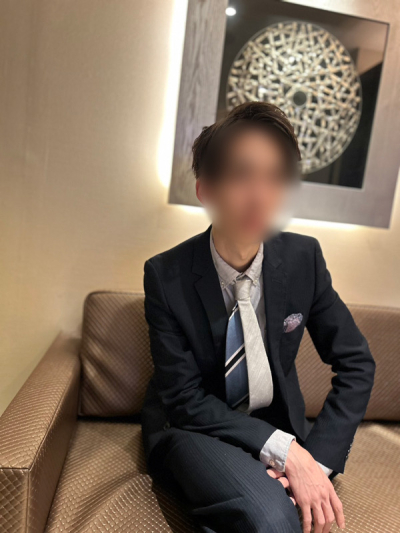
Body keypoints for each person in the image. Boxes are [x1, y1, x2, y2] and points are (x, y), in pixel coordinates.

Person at [141, 101, 376, 533]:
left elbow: (357, 362)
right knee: (271, 517)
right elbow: (184, 399)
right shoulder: (165, 275)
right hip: (195, 428)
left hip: (276, 423)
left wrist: (316, 462)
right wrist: (286, 452)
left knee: (281, 513)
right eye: (241, 175)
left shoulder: (304, 258)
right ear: (206, 190)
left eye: (274, 177)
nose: (260, 196)